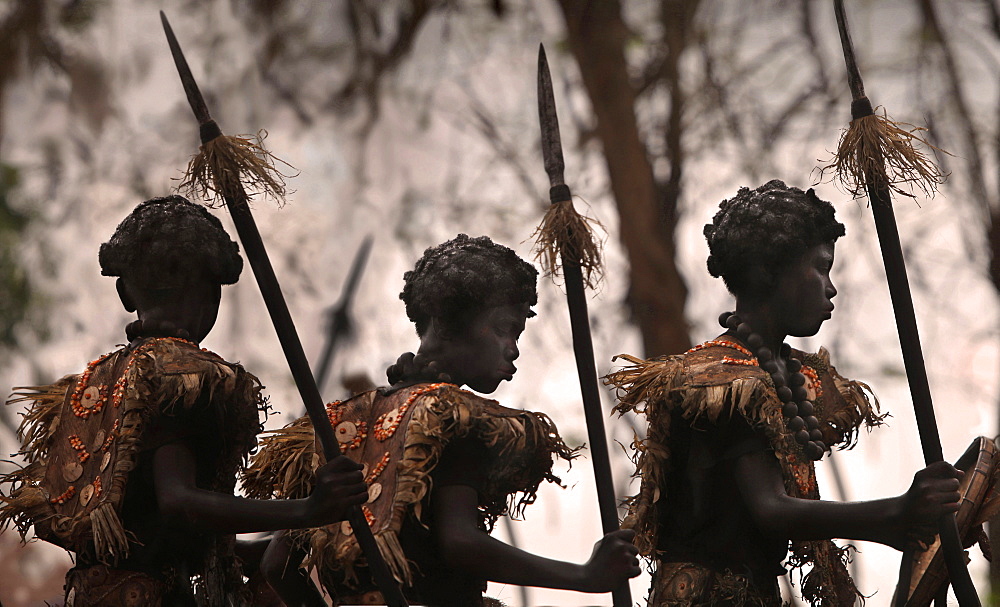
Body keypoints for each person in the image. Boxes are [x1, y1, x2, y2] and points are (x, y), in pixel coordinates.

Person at [606, 180, 962, 605]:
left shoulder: (786, 374)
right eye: (821, 267)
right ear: (766, 271)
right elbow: (770, 510)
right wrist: (894, 514)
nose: (831, 288)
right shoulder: (721, 379)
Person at [0, 196, 368, 606]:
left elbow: (143, 522)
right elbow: (178, 501)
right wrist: (307, 510)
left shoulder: (95, 380)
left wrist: (241, 551)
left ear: (124, 292)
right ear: (214, 294)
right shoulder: (188, 377)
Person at [241, 233, 641, 606]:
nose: (513, 350)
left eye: (516, 335)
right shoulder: (455, 419)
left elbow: (278, 563)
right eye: (504, 329)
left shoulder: (343, 420)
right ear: (453, 321)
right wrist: (585, 576)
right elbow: (460, 543)